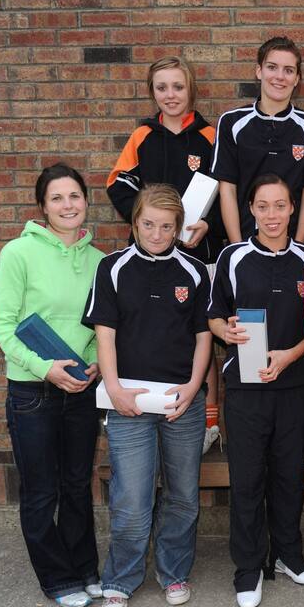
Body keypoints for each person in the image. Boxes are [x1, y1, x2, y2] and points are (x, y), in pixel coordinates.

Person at [84, 184, 212, 607]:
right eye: (148, 225)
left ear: (179, 228)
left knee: (182, 498)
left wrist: (194, 387)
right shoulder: (112, 268)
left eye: (166, 226)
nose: (157, 234)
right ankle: (120, 578)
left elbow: (203, 337)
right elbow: (106, 335)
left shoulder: (194, 271)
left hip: (182, 404)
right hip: (129, 405)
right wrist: (116, 390)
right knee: (132, 501)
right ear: (134, 223)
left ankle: (173, 571)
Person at [0, 163, 105, 607]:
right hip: (32, 391)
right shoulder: (18, 253)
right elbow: (2, 325)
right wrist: (44, 368)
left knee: (78, 484)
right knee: (41, 490)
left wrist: (94, 363)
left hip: (79, 388)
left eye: (74, 196)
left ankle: (84, 568)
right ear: (43, 206)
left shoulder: (99, 261)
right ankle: (56, 578)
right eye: (57, 198)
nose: (67, 205)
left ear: (85, 201)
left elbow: (101, 327)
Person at [207, 175, 304, 607]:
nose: (272, 215)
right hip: (246, 386)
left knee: (289, 475)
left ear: (293, 209)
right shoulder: (233, 257)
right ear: (250, 208)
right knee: (249, 478)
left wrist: (290, 355)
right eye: (263, 206)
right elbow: (214, 316)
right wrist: (227, 331)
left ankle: (288, 555)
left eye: (281, 206)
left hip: (294, 384)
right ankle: (249, 568)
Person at [107, 56, 225, 454]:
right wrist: (147, 221)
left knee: (201, 331)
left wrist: (213, 227)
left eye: (177, 86)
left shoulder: (210, 135)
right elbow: (116, 185)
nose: (170, 95)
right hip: (149, 253)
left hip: (199, 249)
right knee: (151, 325)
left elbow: (229, 192)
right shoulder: (143, 135)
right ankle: (143, 400)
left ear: (190, 88)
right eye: (162, 88)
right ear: (152, 92)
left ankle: (208, 417)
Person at [212, 36, 304, 246]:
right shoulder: (232, 122)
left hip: (293, 243)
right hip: (245, 242)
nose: (280, 76)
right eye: (272, 67)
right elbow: (227, 188)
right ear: (259, 71)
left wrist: (299, 247)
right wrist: (237, 247)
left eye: (289, 70)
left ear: (297, 78)